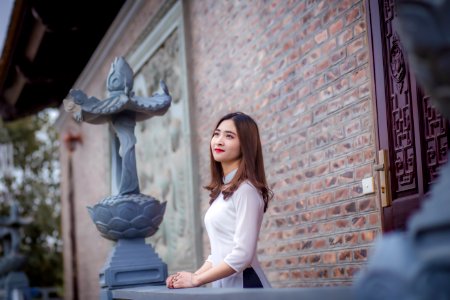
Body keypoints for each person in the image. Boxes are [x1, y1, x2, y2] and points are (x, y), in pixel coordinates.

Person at [166, 112, 272, 288]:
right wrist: (191, 277)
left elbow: (242, 255)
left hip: (247, 287)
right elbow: (219, 253)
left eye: (229, 136)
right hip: (224, 289)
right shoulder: (223, 192)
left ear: (245, 145)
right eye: (216, 134)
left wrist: (196, 280)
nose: (219, 140)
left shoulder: (246, 191)